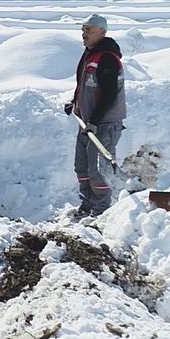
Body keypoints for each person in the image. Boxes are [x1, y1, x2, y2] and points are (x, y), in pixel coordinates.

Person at [63, 14, 126, 218]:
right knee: (81, 167)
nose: (84, 34)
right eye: (83, 29)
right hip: (87, 123)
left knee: (97, 170)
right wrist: (75, 103)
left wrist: (94, 121)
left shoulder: (107, 57)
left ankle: (101, 212)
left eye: (88, 30)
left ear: (102, 32)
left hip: (104, 125)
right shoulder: (90, 53)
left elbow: (109, 94)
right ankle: (87, 206)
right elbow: (83, 84)